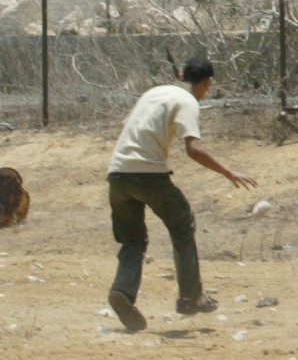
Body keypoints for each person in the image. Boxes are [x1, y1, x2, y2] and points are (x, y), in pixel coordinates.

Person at [104, 57, 256, 332]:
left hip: (117, 174)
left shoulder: (153, 93)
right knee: (182, 225)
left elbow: (130, 125)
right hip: (149, 175)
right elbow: (193, 149)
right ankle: (190, 296)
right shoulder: (187, 101)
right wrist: (228, 172)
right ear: (207, 83)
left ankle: (122, 291)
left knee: (133, 240)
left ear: (181, 75)